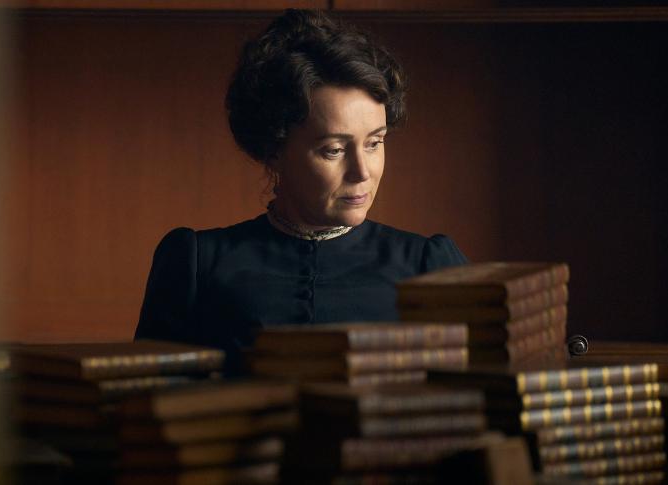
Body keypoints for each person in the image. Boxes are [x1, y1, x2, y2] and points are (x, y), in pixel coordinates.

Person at [134, 9, 467, 373]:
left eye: (374, 143)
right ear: (273, 150)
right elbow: (147, 410)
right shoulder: (196, 264)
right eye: (333, 150)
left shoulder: (428, 266)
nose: (362, 172)